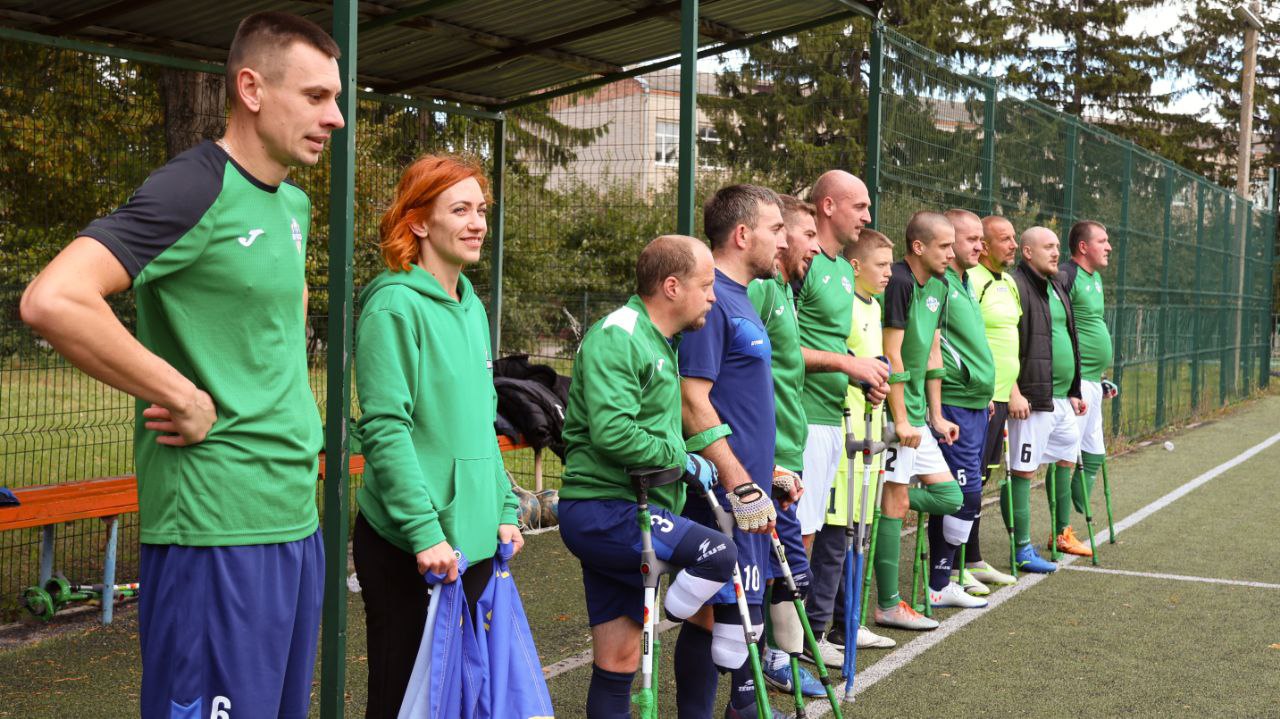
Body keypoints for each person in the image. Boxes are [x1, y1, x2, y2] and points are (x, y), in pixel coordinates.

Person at [20, 12, 342, 716]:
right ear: (251, 88)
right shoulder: (193, 186)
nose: (337, 117)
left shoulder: (291, 202)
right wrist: (179, 392)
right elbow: (54, 298)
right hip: (215, 529)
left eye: (336, 97)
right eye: (316, 97)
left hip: (292, 522)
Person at [352, 155, 527, 717]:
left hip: (472, 541)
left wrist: (503, 505)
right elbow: (385, 429)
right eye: (460, 209)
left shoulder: (470, 303)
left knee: (460, 699)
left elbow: (480, 416)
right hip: (411, 546)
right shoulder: (392, 305)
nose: (477, 222)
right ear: (420, 222)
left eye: (481, 209)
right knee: (404, 702)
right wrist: (424, 532)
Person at [558, 235, 737, 719]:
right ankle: (671, 612)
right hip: (603, 510)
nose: (713, 296)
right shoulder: (620, 333)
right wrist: (680, 459)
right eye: (706, 285)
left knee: (618, 659)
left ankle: (666, 608)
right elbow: (613, 431)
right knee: (718, 553)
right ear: (672, 286)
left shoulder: (660, 340)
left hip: (633, 507)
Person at [676, 184, 794, 719]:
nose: (785, 241)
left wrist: (767, 470)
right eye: (776, 229)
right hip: (722, 493)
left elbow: (737, 399)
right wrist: (737, 479)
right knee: (712, 614)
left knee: (741, 615)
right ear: (742, 234)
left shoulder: (742, 295)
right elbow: (692, 399)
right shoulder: (713, 297)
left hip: (748, 485)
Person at [794, 171, 893, 665]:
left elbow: (833, 348)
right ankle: (787, 648)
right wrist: (848, 363)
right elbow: (784, 348)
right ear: (828, 205)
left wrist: (862, 377)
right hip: (802, 420)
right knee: (802, 539)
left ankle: (799, 644)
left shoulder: (835, 269)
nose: (868, 216)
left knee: (811, 537)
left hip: (833, 418)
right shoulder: (804, 267)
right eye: (860, 206)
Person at [746, 195, 825, 696]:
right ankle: (764, 667)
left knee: (790, 569)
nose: (815, 248)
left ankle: (778, 659)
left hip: (787, 453)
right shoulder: (756, 290)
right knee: (778, 568)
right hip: (762, 460)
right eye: (806, 236)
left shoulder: (784, 289)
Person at [876, 211, 964, 631]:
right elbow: (890, 354)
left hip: (917, 414)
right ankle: (889, 605)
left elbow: (931, 353)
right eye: (945, 246)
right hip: (894, 414)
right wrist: (900, 419)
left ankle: (888, 510)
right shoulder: (898, 282)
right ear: (918, 247)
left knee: (949, 496)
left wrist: (936, 414)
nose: (953, 253)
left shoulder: (941, 286)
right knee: (894, 500)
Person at [925, 210, 996, 610]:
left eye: (978, 239)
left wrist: (984, 388)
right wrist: (937, 410)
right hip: (952, 403)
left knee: (970, 493)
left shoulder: (968, 283)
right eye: (970, 239)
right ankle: (939, 580)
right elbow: (934, 346)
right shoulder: (941, 285)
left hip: (974, 403)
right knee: (961, 495)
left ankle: (949, 575)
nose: (978, 246)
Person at [1007, 227, 1088, 574]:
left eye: (1057, 246)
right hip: (1033, 398)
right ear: (1027, 251)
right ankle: (1021, 547)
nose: (1056, 252)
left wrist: (1074, 389)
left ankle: (1060, 532)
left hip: (1061, 399)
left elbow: (1069, 337)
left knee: (1067, 458)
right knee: (1023, 471)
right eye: (1048, 247)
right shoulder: (1017, 285)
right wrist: (1014, 390)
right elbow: (1006, 342)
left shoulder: (1057, 286)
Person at [956, 215, 1021, 593]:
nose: (1010, 245)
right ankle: (957, 561)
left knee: (981, 480)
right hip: (978, 397)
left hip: (1000, 395)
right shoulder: (972, 281)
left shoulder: (1009, 283)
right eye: (1004, 239)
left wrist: (1013, 388)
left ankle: (974, 557)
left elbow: (1012, 340)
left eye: (1014, 238)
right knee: (969, 480)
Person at [1060, 221, 1115, 542]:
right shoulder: (1067, 276)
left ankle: (1075, 507)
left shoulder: (1096, 279)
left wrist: (1102, 377)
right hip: (1075, 384)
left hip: (1094, 381)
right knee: (1066, 457)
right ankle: (1061, 529)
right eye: (1102, 241)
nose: (1108, 247)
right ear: (1083, 247)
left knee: (1094, 453)